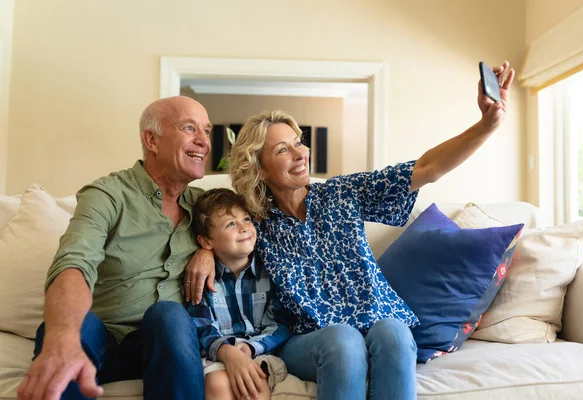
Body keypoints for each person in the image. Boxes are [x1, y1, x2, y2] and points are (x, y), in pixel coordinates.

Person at [222, 62, 515, 400]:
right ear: (259, 170)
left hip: (379, 325)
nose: (301, 153)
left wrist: (487, 125)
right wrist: (202, 252)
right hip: (310, 340)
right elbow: (214, 230)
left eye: (298, 142)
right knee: (343, 340)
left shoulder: (342, 193)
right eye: (282, 150)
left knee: (394, 331)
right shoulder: (253, 222)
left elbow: (427, 168)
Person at [17, 96, 218, 400]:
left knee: (170, 315)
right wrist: (63, 335)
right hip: (104, 342)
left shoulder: (206, 208)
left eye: (207, 130)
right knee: (77, 327)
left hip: (168, 346)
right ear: (151, 139)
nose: (203, 141)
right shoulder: (107, 195)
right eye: (190, 128)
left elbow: (246, 239)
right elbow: (74, 264)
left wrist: (209, 250)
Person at [187, 188, 292, 400]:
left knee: (253, 383)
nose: (244, 228)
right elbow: (202, 327)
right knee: (218, 384)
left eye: (246, 219)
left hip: (260, 351)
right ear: (207, 242)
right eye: (231, 224)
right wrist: (229, 352)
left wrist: (249, 348)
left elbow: (281, 324)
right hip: (218, 354)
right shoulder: (202, 278)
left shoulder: (271, 271)